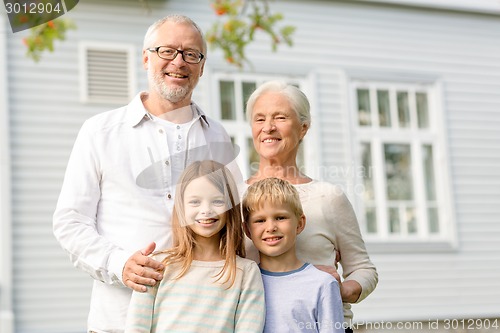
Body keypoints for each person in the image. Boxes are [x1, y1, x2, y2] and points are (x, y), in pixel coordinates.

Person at [53, 15, 240, 333]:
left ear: (202, 66)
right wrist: (119, 263)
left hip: (199, 321)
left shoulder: (218, 137)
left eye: (191, 54)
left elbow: (241, 224)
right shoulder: (100, 132)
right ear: (145, 58)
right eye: (167, 50)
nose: (178, 62)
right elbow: (70, 222)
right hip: (119, 320)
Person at [245, 80, 378, 332]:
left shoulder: (328, 197)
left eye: (280, 117)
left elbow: (363, 269)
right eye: (259, 119)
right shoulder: (235, 197)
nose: (268, 128)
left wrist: (339, 290)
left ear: (303, 128)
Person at [124, 160, 265, 332]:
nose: (206, 210)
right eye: (195, 202)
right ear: (181, 207)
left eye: (218, 201)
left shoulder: (246, 272)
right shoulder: (157, 265)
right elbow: (137, 327)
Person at [243, 177, 344, 333]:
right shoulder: (243, 282)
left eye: (280, 217)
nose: (270, 227)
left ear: (300, 224)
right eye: (260, 220)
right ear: (248, 230)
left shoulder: (322, 284)